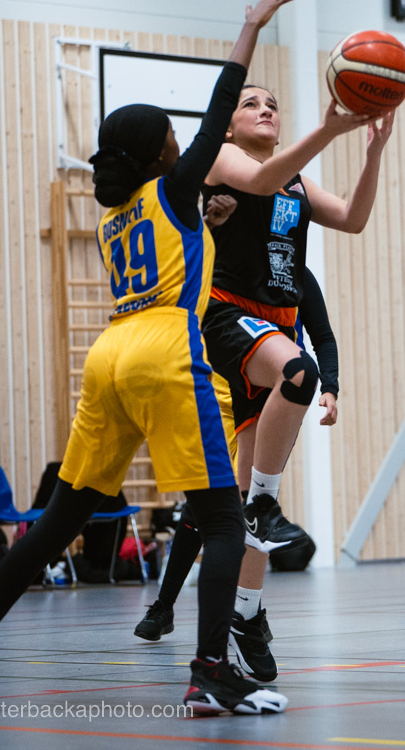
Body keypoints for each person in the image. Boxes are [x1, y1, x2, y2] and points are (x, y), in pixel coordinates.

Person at [0, 0, 294, 715]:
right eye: (173, 139)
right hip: (167, 349)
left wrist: (210, 216)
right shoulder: (177, 187)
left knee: (58, 522)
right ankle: (210, 672)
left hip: (111, 353)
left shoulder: (121, 212)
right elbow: (219, 108)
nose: (183, 145)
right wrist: (248, 28)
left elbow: (183, 229)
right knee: (224, 520)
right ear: (160, 151)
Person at [201, 85, 394, 681]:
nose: (265, 109)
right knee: (300, 373)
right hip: (229, 314)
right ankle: (263, 502)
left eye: (272, 104)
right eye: (250, 103)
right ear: (228, 125)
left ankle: (244, 612)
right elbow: (259, 182)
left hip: (277, 325)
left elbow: (355, 220)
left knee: (245, 501)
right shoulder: (222, 158)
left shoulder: (297, 184)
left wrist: (372, 153)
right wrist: (330, 129)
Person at [134, 264, 339, 642]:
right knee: (206, 500)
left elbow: (322, 336)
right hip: (219, 394)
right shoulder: (229, 267)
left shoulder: (296, 273)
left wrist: (330, 386)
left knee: (254, 503)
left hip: (270, 403)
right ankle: (175, 607)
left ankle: (242, 610)